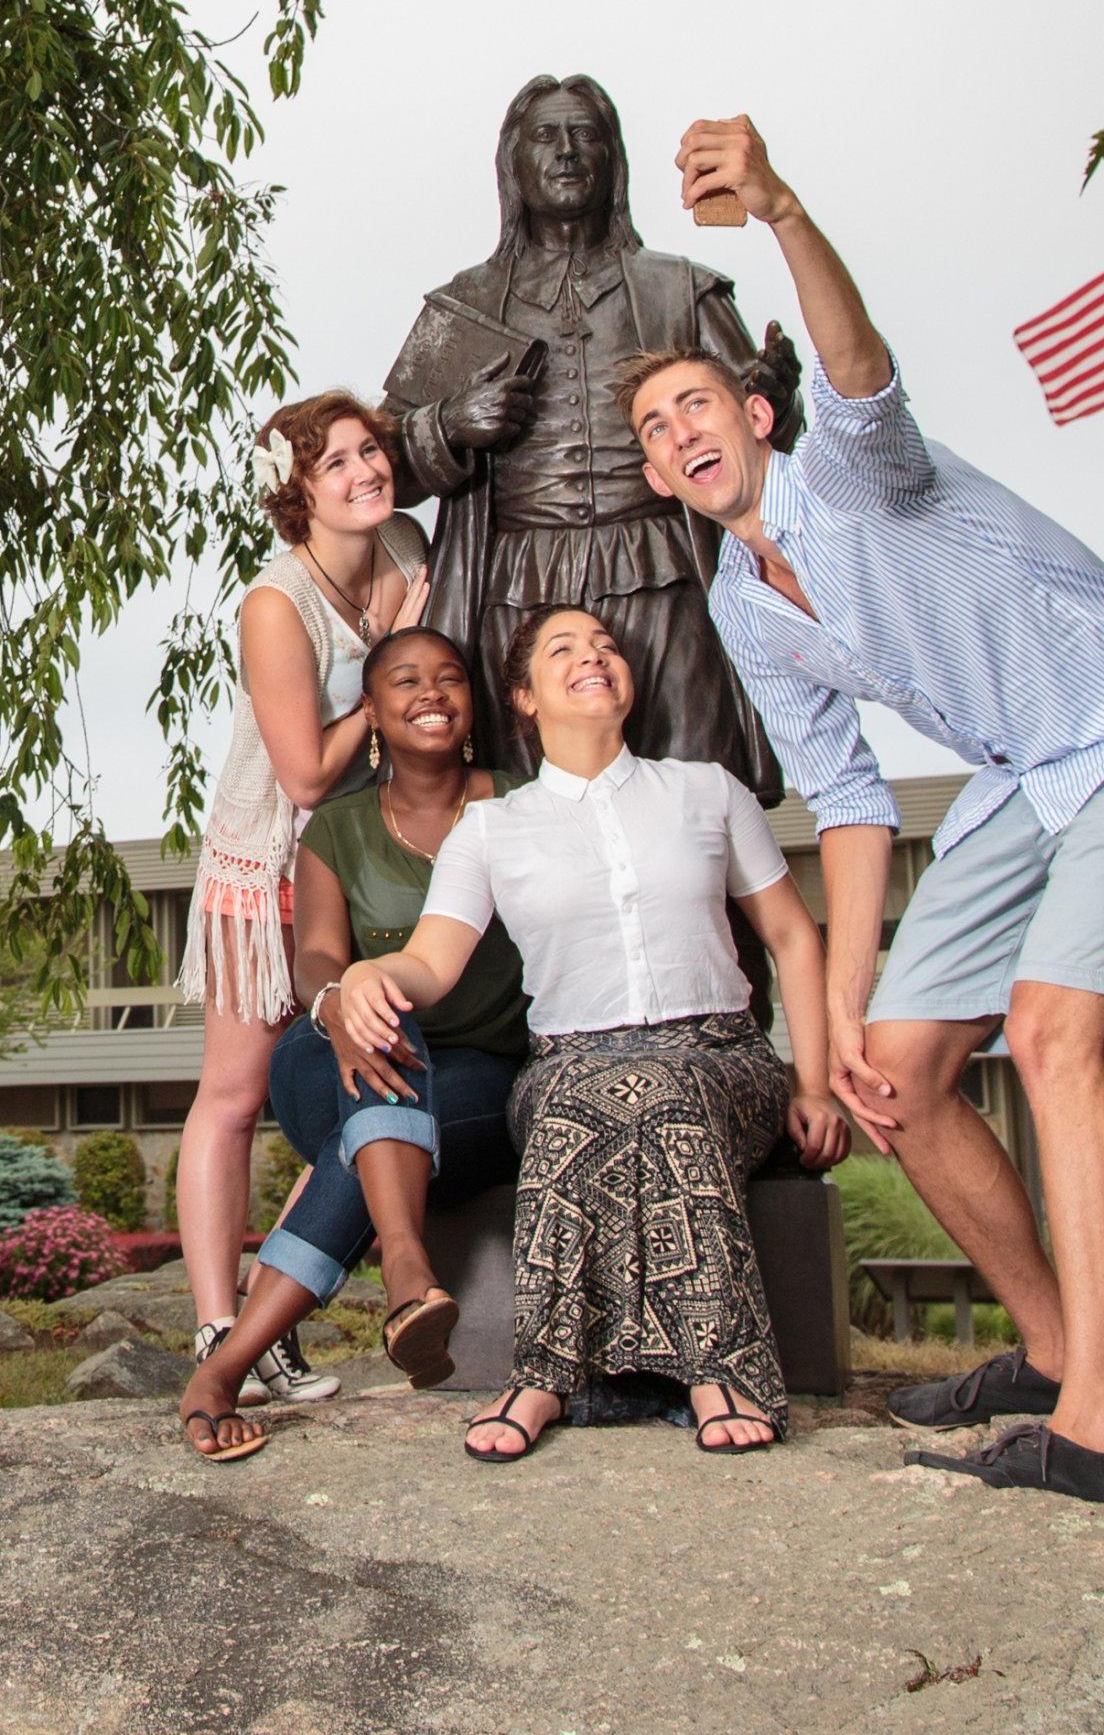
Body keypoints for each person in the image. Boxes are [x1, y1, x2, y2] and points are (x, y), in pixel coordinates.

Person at [618, 116, 1104, 1508]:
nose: (683, 434)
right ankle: (1045, 1350)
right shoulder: (744, 606)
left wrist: (783, 208)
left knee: (1047, 1035)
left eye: (699, 408)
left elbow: (860, 368)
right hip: (1028, 778)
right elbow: (846, 799)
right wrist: (837, 1020)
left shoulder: (853, 469)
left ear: (754, 419)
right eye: (659, 434)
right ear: (664, 480)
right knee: (897, 1076)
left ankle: (1099, 1429)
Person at [338, 606, 849, 1462]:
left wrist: (815, 1081)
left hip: (719, 1055)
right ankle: (542, 1373)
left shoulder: (708, 790)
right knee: (584, 1101)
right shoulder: (493, 827)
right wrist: (365, 975)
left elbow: (795, 937)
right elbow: (430, 963)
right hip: (570, 1060)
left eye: (606, 647)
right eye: (564, 650)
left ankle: (716, 1367)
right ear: (525, 696)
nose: (594, 657)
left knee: (664, 1091)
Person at [381, 73, 803, 792]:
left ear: (615, 160)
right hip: (517, 586)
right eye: (546, 135)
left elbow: (764, 437)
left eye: (587, 135)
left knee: (701, 795)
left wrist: (775, 396)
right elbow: (381, 466)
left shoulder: (680, 288)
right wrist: (448, 424)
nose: (569, 151)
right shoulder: (465, 304)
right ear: (513, 164)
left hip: (666, 572)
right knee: (530, 811)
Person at [179, 626, 529, 1458]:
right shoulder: (333, 828)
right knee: (381, 1004)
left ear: (472, 704)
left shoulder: (523, 804)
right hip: (331, 1050)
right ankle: (407, 1265)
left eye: (449, 677)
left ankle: (218, 1372)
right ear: (371, 710)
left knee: (368, 1131)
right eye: (405, 680)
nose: (431, 692)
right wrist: (341, 1000)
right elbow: (318, 962)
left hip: (476, 1076)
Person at [175, 393, 429, 1413]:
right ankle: (214, 1322)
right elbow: (306, 777)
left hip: (362, 862)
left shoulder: (405, 542)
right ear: (296, 492)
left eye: (370, 450)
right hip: (269, 858)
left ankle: (271, 1312)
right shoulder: (276, 606)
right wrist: (391, 667)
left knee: (354, 1087)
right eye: (336, 464)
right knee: (234, 1094)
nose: (366, 471)